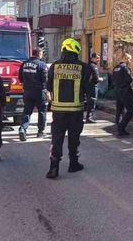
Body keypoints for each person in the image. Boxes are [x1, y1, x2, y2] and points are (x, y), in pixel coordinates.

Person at [46, 38, 92, 179]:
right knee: (74, 138)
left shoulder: (54, 66)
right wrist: (89, 108)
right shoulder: (84, 67)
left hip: (58, 111)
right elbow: (89, 90)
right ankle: (73, 164)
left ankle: (54, 168)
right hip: (76, 111)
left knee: (57, 138)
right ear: (77, 50)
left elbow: (48, 87)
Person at [18, 49, 48, 141]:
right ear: (39, 54)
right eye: (42, 53)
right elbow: (45, 79)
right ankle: (40, 132)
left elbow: (20, 78)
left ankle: (23, 128)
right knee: (42, 111)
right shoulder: (41, 64)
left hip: (27, 91)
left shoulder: (24, 64)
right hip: (39, 92)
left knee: (27, 111)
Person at [112, 53, 133, 137]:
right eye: (129, 59)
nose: (130, 61)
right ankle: (121, 127)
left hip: (117, 91)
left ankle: (119, 127)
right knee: (131, 110)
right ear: (125, 58)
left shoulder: (116, 68)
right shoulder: (125, 67)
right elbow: (129, 79)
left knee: (119, 110)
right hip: (125, 91)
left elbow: (113, 79)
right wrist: (132, 79)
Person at [85, 53, 103, 123]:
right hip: (92, 86)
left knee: (90, 102)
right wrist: (100, 79)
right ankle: (89, 117)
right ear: (93, 58)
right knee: (92, 102)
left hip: (87, 86)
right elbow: (96, 78)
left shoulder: (87, 65)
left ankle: (88, 117)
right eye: (97, 58)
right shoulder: (93, 66)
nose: (98, 60)